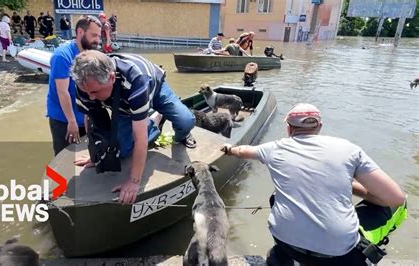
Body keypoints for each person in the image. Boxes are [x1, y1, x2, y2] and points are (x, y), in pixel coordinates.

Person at [220, 103, 405, 266]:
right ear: (320, 126)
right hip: (339, 256)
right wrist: (349, 186)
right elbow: (395, 198)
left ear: (289, 129)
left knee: (276, 198)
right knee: (399, 206)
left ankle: (281, 254)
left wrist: (230, 150)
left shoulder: (274, 148)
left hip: (287, 243)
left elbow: (244, 151)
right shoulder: (348, 149)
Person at [70, 50, 197, 204]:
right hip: (123, 105)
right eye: (87, 92)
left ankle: (157, 118)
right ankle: (150, 119)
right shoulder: (85, 84)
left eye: (95, 92)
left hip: (154, 87)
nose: (90, 97)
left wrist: (134, 181)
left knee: (186, 121)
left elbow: (140, 138)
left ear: (111, 77)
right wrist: (96, 153)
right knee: (121, 151)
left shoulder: (135, 79)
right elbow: (90, 119)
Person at [46, 15, 102, 156]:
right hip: (64, 119)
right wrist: (71, 121)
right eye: (94, 35)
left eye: (99, 36)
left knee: (86, 156)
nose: (97, 40)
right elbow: (62, 92)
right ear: (80, 33)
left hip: (83, 117)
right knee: (63, 158)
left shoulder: (91, 54)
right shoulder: (62, 56)